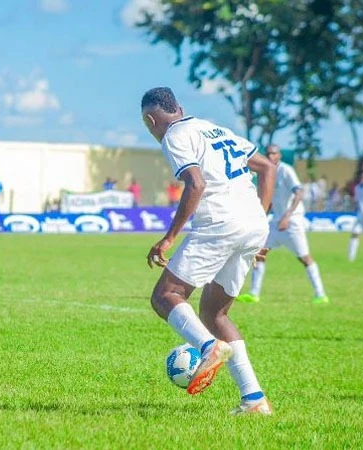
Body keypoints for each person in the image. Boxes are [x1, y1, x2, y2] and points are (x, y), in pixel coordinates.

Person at [141, 87, 276, 415]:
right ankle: (255, 399)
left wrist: (169, 238)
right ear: (180, 107)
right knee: (215, 313)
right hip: (253, 223)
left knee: (166, 296)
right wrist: (257, 222)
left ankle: (208, 348)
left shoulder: (175, 136)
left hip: (220, 222)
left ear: (150, 120)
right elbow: (267, 168)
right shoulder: (217, 130)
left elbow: (196, 183)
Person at [236, 145, 329, 305]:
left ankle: (321, 294)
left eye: (274, 153)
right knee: (259, 254)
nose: (271, 156)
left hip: (292, 222)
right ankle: (254, 294)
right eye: (268, 153)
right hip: (276, 221)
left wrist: (287, 216)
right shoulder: (267, 172)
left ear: (279, 156)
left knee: (304, 258)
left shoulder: (286, 170)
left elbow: (299, 193)